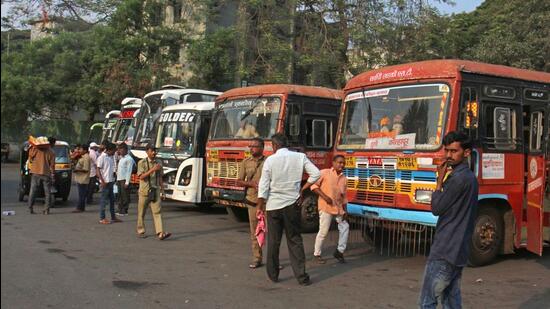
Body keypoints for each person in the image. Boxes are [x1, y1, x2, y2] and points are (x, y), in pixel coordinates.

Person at [419, 131, 478, 309]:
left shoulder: (458, 179)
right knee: (451, 300)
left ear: (466, 153)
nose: (448, 155)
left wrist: (438, 183)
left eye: (454, 151)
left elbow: (437, 208)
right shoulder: (470, 178)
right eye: (447, 151)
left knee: (427, 302)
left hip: (446, 248)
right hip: (458, 250)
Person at [257, 133, 320, 286]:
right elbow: (316, 174)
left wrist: (260, 205)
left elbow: (264, 185)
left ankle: (273, 275)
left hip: (273, 206)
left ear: (274, 146)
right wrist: (302, 189)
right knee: (295, 240)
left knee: (274, 241)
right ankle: (301, 277)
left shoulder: (270, 160)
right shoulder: (299, 157)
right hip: (292, 205)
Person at [311, 155, 349, 264]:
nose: (341, 165)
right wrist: (324, 196)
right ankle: (317, 254)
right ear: (333, 163)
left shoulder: (344, 179)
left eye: (343, 163)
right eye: (339, 162)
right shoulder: (324, 173)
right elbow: (314, 186)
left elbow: (344, 197)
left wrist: (345, 210)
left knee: (345, 227)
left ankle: (339, 251)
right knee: (323, 231)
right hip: (326, 206)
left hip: (338, 207)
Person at [237, 138, 266, 269]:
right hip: (253, 201)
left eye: (254, 146)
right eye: (250, 146)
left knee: (271, 233)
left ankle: (273, 259)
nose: (251, 148)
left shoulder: (268, 162)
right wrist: (251, 184)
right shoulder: (245, 162)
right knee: (255, 231)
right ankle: (257, 258)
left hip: (268, 201)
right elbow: (239, 181)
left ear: (262, 147)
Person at [136, 144, 171, 240]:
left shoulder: (158, 162)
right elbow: (141, 177)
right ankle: (141, 230)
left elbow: (160, 177)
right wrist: (153, 169)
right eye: (152, 151)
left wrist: (163, 191)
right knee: (141, 212)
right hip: (144, 191)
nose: (154, 153)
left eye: (155, 151)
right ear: (147, 152)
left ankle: (160, 232)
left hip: (155, 190)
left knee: (157, 212)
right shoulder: (141, 162)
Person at [27, 137, 56, 215]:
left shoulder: (37, 149)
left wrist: (33, 147)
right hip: (46, 174)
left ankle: (30, 208)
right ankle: (46, 210)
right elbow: (52, 166)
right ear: (52, 143)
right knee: (47, 192)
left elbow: (30, 156)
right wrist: (53, 175)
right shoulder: (52, 152)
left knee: (32, 190)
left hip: (35, 172)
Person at [96, 142, 121, 224]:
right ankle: (102, 218)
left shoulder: (110, 157)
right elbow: (98, 170)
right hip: (105, 182)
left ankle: (113, 217)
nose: (115, 152)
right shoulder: (101, 157)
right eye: (114, 150)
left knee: (112, 201)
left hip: (110, 181)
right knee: (104, 201)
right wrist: (102, 181)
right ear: (109, 150)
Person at [116, 143, 135, 216]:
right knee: (120, 195)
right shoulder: (121, 158)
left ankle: (125, 210)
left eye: (120, 149)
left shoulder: (129, 159)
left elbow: (129, 171)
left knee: (125, 196)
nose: (119, 151)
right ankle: (120, 209)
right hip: (119, 179)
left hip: (125, 179)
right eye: (118, 149)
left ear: (125, 150)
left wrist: (127, 182)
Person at [72, 144, 91, 213]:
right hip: (81, 178)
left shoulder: (86, 157)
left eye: (81, 149)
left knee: (81, 194)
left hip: (83, 178)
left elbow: (86, 169)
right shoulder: (83, 156)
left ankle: (79, 208)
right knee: (81, 194)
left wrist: (77, 170)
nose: (79, 150)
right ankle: (81, 208)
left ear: (85, 150)